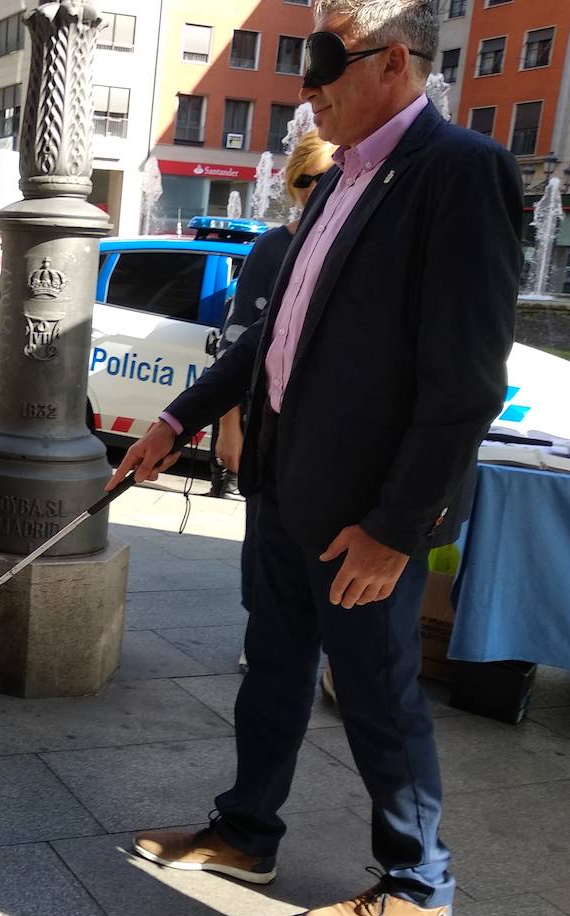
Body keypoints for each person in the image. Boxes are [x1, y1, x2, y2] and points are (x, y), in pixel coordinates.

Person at [108, 0, 522, 916]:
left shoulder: (461, 174)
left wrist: (397, 527)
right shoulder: (336, 184)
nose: (309, 85)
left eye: (329, 60)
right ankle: (247, 831)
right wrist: (178, 417)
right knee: (275, 669)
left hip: (365, 517)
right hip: (286, 492)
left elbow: (464, 383)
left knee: (377, 691)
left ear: (396, 63)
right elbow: (272, 342)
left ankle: (420, 884)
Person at [217, 130, 337, 668]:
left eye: (332, 178)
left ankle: (333, 648)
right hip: (269, 428)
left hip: (334, 434)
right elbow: (238, 342)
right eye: (310, 180)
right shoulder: (274, 247)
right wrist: (228, 426)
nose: (321, 190)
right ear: (294, 185)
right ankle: (260, 633)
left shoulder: (358, 245)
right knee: (265, 538)